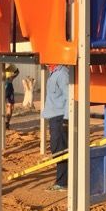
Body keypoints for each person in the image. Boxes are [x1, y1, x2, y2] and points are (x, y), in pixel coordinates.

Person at [42, 63, 71, 191]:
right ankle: (63, 180)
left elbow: (69, 97)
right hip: (54, 117)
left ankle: (63, 182)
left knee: (60, 149)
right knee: (57, 149)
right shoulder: (53, 72)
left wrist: (66, 119)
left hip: (60, 118)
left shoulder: (62, 73)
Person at [3, 64, 18, 128]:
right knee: (1, 106)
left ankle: (7, 123)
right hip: (2, 85)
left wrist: (12, 77)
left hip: (9, 85)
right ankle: (1, 122)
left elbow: (17, 71)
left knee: (10, 106)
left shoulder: (10, 64)